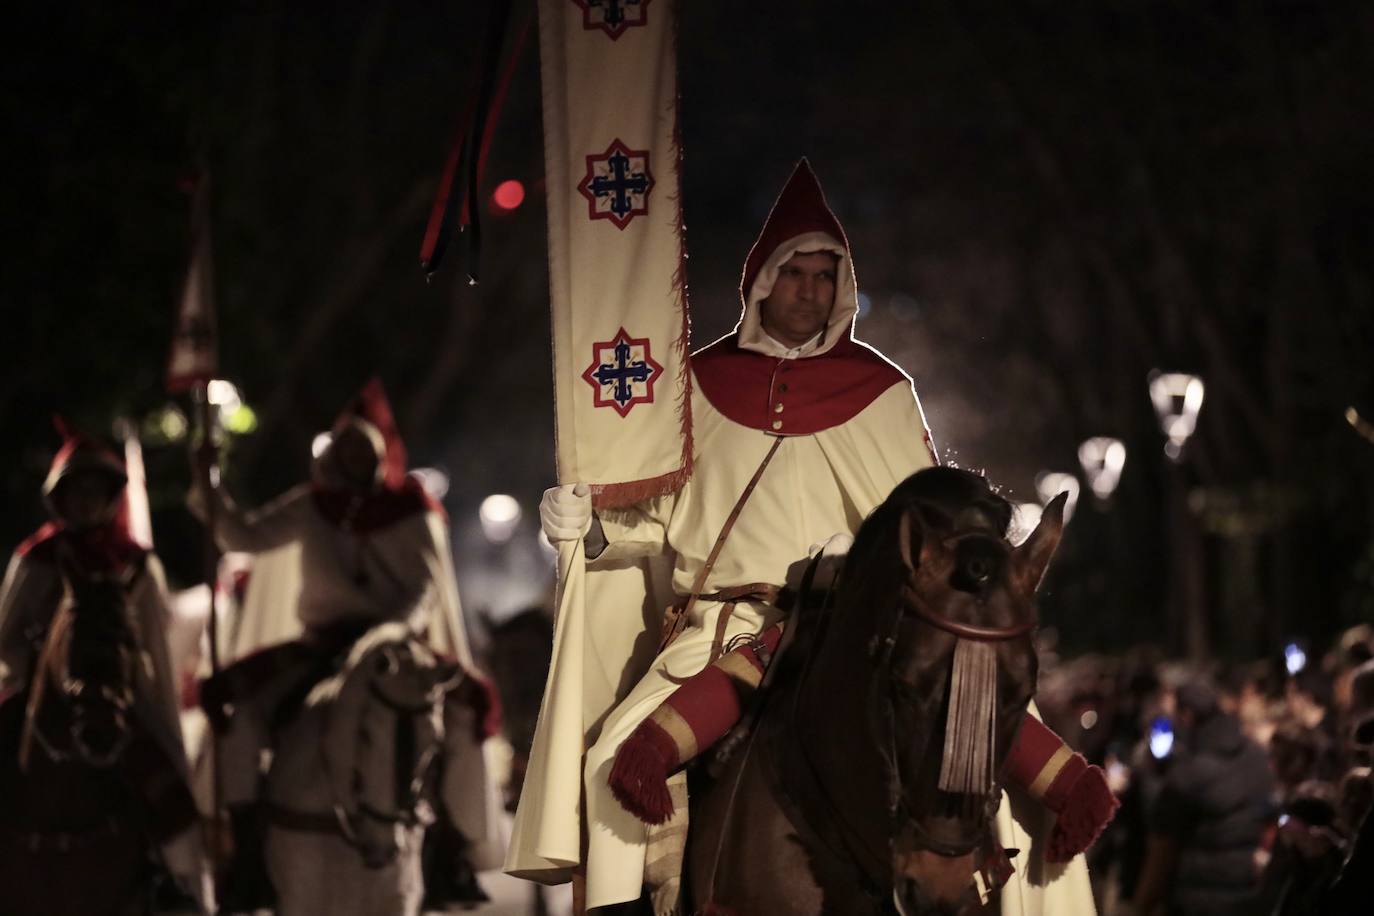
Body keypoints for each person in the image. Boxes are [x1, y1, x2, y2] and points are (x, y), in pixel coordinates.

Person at [509, 160, 1096, 914]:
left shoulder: (883, 395)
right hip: (723, 633)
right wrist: (587, 528)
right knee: (616, 765)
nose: (810, 290)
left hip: (852, 630)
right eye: (796, 273)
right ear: (761, 281)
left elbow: (936, 539)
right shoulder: (692, 387)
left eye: (826, 275)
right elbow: (650, 525)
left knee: (985, 746)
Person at [189, 379, 497, 909]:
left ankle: (454, 852)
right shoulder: (312, 504)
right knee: (235, 712)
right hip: (318, 646)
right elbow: (243, 535)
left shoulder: (412, 510)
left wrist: (390, 634)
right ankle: (243, 851)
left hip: (395, 647)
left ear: (381, 454)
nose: (354, 455)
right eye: (346, 445)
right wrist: (207, 479)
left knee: (466, 714)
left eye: (364, 447)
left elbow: (424, 590)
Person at [0, 420, 207, 908]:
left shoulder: (137, 565)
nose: (87, 502)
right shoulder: (37, 557)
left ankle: (176, 885)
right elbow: (4, 638)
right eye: (78, 492)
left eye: (97, 492)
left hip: (116, 696)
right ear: (61, 498)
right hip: (41, 692)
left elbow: (155, 645)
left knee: (168, 792)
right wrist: (33, 659)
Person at [1132, 677, 1276, 916]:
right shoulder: (1256, 755)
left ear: (1186, 716)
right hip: (1252, 895)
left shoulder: (1188, 775)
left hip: (1198, 902)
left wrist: (1142, 905)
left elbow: (1162, 851)